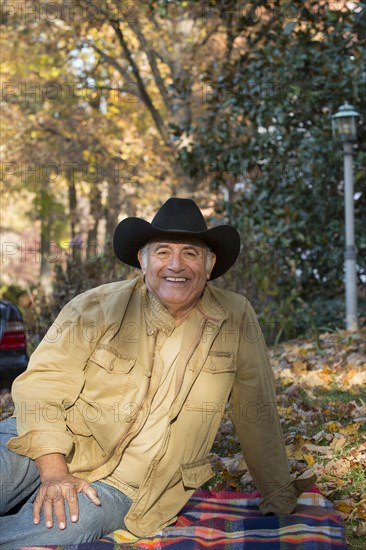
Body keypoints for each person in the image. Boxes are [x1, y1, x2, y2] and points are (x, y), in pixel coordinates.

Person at [0, 198, 315, 547]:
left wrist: (278, 495)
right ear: (143, 260)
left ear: (209, 265)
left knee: (66, 524)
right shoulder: (94, 306)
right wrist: (55, 471)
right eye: (163, 252)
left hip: (130, 482)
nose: (176, 265)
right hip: (42, 441)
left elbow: (256, 410)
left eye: (191, 253)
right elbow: (42, 386)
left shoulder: (236, 317)